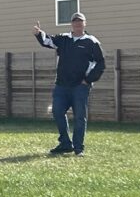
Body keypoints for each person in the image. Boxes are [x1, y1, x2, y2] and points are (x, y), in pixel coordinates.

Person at [32, 12, 106, 156]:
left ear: (85, 24)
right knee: (57, 111)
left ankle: (78, 148)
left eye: (80, 21)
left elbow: (100, 63)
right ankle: (65, 143)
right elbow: (48, 41)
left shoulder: (91, 41)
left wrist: (88, 80)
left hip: (80, 87)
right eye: (75, 21)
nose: (77, 24)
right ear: (71, 24)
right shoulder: (64, 39)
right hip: (61, 85)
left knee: (79, 116)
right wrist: (38, 33)